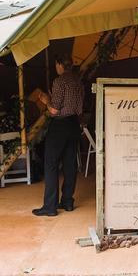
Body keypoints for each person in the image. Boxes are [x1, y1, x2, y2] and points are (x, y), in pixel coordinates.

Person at [32, 55, 84, 216]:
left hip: (60, 124)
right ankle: (67, 202)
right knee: (70, 164)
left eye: (56, 65)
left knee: (51, 163)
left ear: (60, 64)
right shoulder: (78, 81)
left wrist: (46, 100)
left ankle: (50, 206)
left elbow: (54, 110)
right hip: (74, 124)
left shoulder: (60, 81)